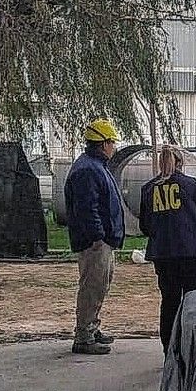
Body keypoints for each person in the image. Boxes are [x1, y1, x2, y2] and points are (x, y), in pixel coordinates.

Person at [140, 146, 196, 348]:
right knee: (194, 301)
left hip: (163, 254)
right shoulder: (190, 185)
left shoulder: (148, 189)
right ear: (181, 163)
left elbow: (144, 226)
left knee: (169, 302)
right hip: (192, 252)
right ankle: (192, 347)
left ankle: (169, 350)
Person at [64, 118, 125, 355]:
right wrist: (98, 236)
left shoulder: (94, 166)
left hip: (101, 240)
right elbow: (87, 208)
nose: (114, 147)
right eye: (112, 142)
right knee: (92, 286)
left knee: (99, 285)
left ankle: (91, 326)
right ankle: (84, 335)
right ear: (103, 143)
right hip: (95, 242)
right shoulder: (89, 170)